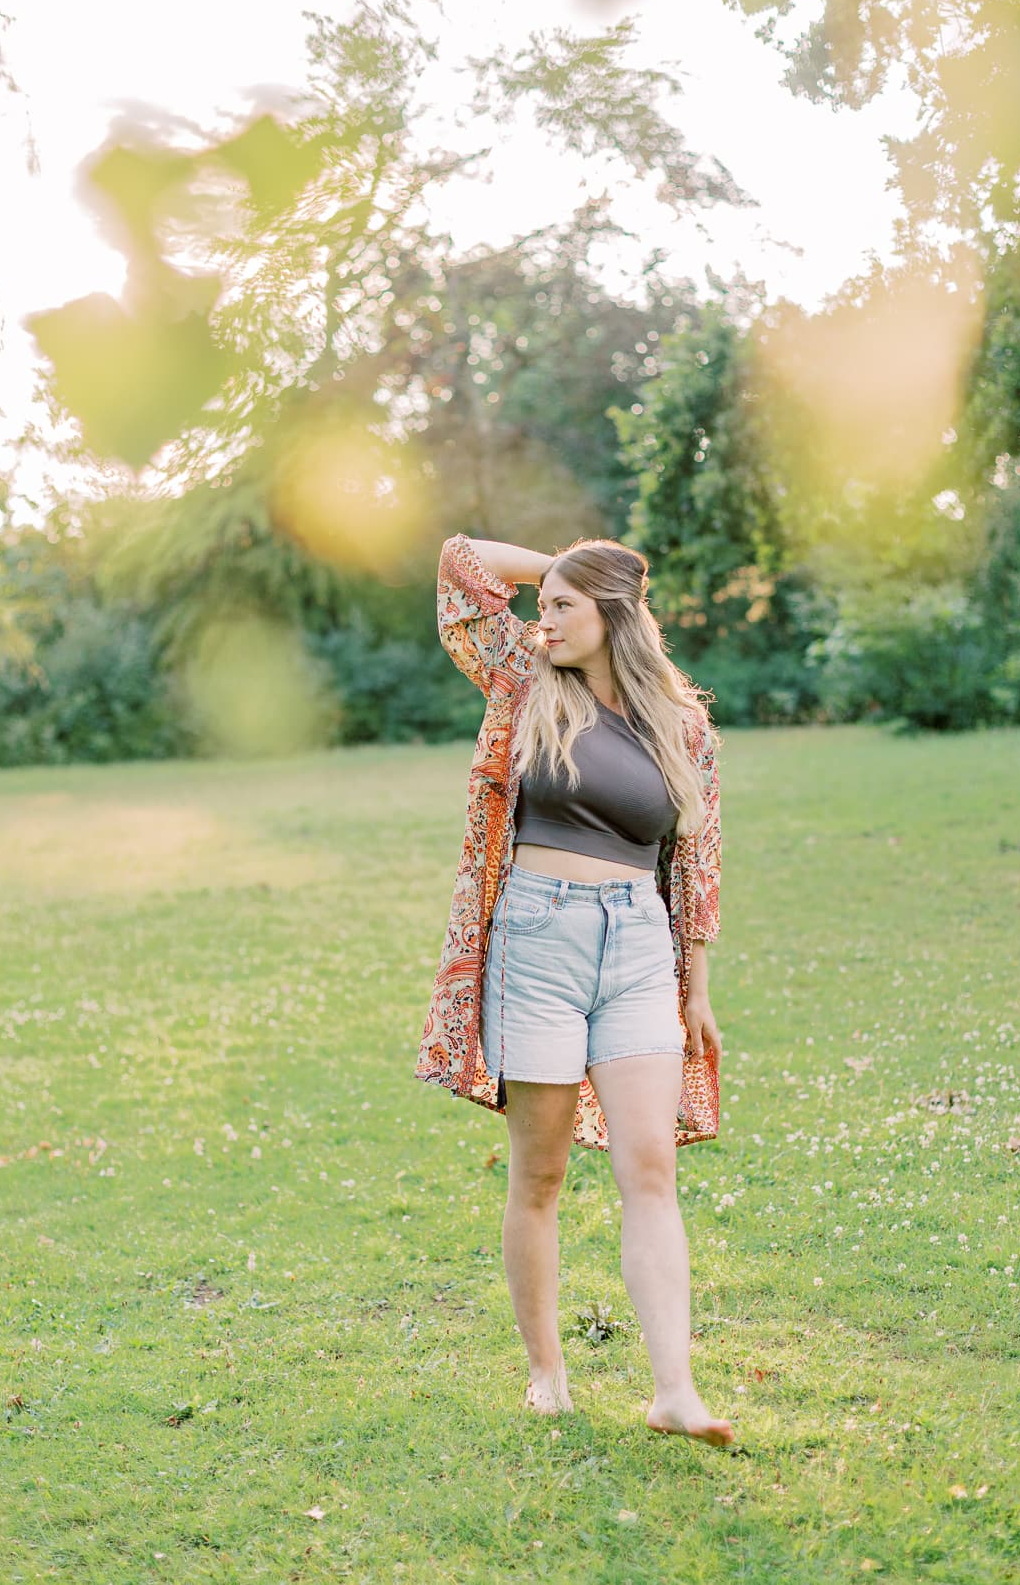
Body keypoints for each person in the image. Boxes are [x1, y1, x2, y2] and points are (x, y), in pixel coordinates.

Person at [415, 532, 732, 1447]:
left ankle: (675, 1390)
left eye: (564, 607)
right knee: (542, 1171)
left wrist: (697, 985)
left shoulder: (684, 724)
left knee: (650, 1166)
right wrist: (567, 566)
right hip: (537, 940)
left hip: (638, 948)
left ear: (615, 619)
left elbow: (697, 859)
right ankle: (546, 1374)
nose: (543, 618)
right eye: (542, 603)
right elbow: (461, 565)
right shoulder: (523, 679)